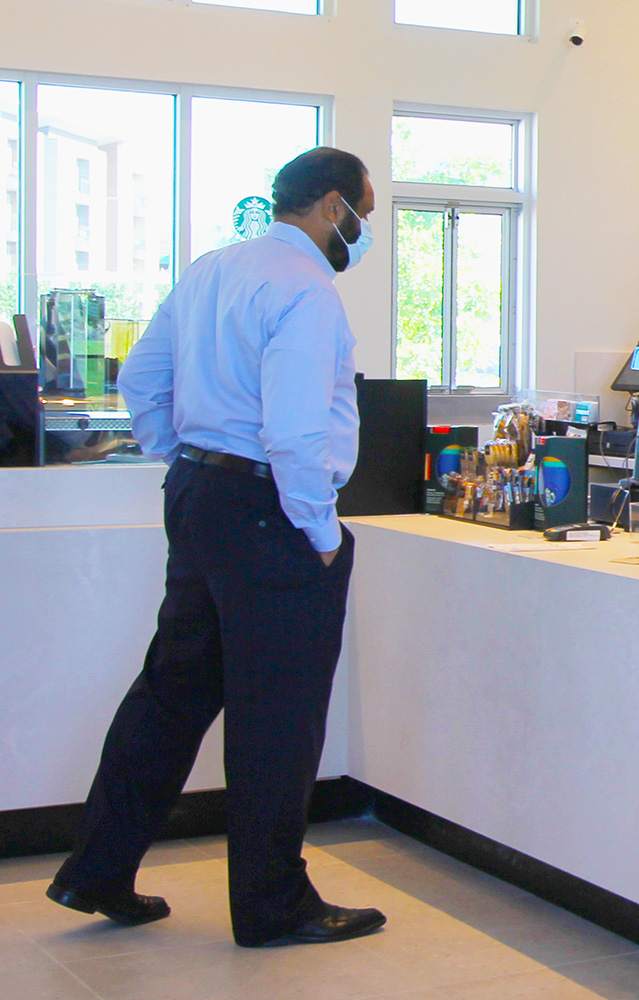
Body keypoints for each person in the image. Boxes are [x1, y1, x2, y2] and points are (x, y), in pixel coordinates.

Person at [45, 147, 386, 948]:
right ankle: (273, 905)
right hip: (271, 511)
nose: (363, 232)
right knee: (279, 714)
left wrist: (187, 460)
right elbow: (297, 430)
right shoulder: (306, 289)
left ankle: (95, 868)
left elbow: (142, 380)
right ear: (332, 206)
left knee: (172, 691)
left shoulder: (211, 269)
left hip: (201, 497)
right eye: (364, 215)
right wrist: (320, 532)